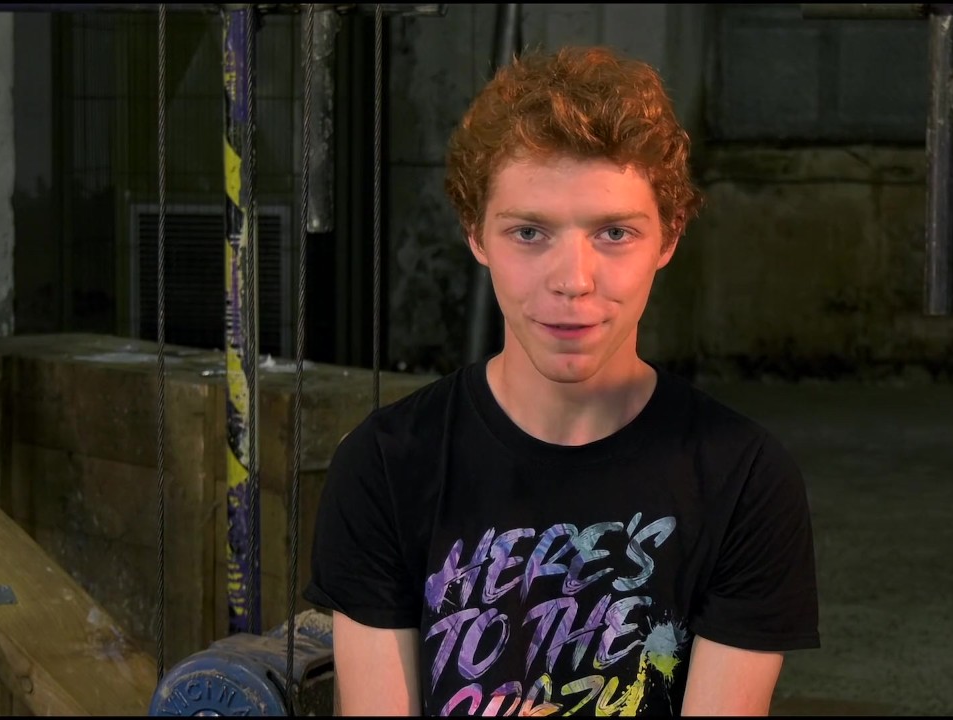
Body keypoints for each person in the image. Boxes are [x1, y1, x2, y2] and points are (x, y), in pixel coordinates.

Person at [304, 45, 820, 717]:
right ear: (476, 234)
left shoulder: (743, 477)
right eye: (529, 233)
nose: (572, 280)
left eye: (614, 233)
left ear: (668, 238)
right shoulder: (385, 466)